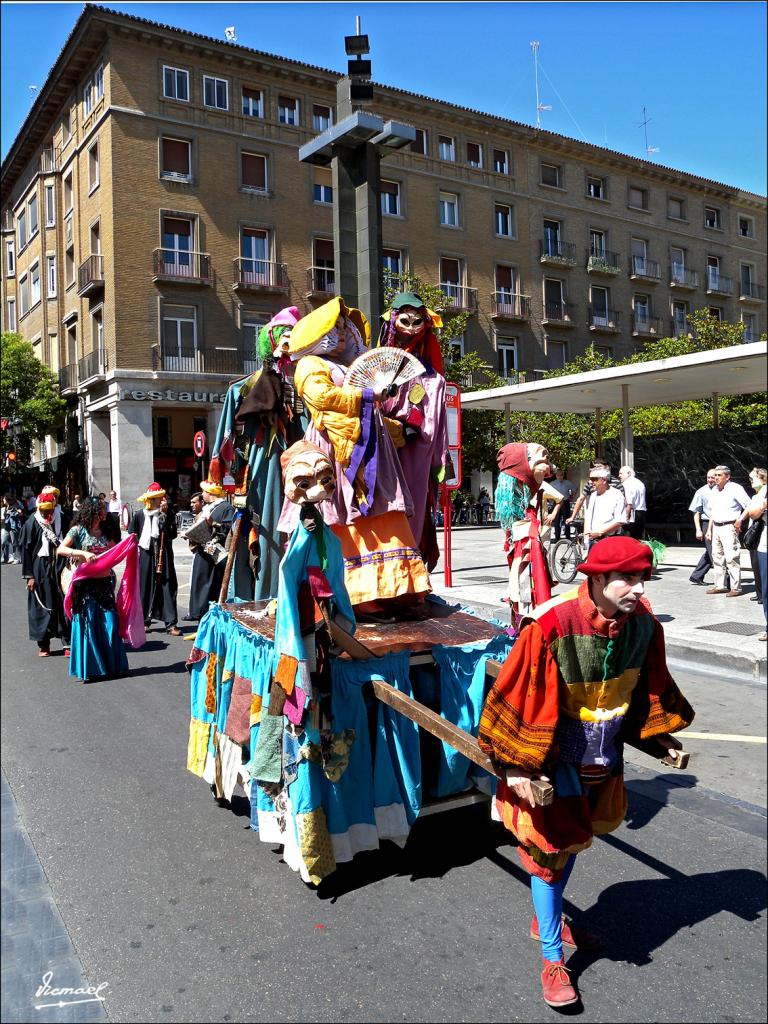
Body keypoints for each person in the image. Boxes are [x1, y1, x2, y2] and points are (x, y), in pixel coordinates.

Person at [478, 536, 694, 1009]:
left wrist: (657, 736)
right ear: (596, 579)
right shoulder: (552, 625)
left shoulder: (644, 627)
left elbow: (647, 690)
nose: (638, 589)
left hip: (605, 757)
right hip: (553, 758)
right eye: (628, 579)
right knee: (551, 851)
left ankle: (545, 918)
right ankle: (553, 959)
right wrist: (515, 765)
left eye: (643, 579)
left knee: (574, 842)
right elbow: (520, 695)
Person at [279, 295, 431, 616]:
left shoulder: (351, 366)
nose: (344, 333)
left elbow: (372, 413)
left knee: (383, 509)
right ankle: (356, 593)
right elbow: (320, 396)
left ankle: (393, 589)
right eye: (336, 327)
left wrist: (399, 429)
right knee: (342, 513)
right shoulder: (310, 364)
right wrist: (365, 394)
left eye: (346, 327)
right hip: (335, 450)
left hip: (373, 447)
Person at [378, 292, 450, 569]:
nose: (409, 328)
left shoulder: (434, 380)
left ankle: (411, 573)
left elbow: (436, 425)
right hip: (384, 450)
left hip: (417, 452)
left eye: (416, 321)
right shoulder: (382, 365)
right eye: (404, 320)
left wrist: (439, 460)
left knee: (413, 510)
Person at [57, 496, 131, 681]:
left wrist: (130, 543)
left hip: (105, 584)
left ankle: (113, 666)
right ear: (92, 511)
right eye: (101, 509)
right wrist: (82, 552)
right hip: (85, 585)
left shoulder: (107, 531)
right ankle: (93, 670)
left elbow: (117, 551)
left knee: (111, 623)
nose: (105, 512)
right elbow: (61, 549)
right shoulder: (77, 531)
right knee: (88, 626)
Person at [20, 490, 70, 657]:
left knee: (64, 601)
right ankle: (44, 643)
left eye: (50, 510)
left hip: (61, 564)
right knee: (41, 604)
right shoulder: (31, 523)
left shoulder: (63, 518)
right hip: (40, 568)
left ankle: (67, 641)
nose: (47, 514)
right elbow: (26, 551)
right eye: (44, 511)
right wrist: (29, 576)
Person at [130, 482, 181, 635]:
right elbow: (133, 534)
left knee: (168, 586)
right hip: (146, 554)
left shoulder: (167, 513)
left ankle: (171, 623)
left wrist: (164, 516)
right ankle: (144, 620)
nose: (161, 500)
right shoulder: (139, 515)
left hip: (163, 553)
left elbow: (171, 534)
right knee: (144, 586)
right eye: (158, 498)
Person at [187, 472, 236, 621]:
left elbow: (227, 529)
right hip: (202, 549)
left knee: (208, 582)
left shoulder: (225, 507)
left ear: (211, 493)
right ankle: (197, 612)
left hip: (213, 552)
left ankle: (205, 612)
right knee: (199, 580)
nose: (202, 495)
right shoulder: (210, 507)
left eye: (204, 492)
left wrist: (212, 525)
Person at [706, 465, 751, 597]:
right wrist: (709, 529)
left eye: (719, 475)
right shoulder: (714, 490)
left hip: (729, 526)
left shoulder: (735, 489)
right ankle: (720, 585)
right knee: (717, 557)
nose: (716, 477)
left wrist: (740, 520)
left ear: (727, 477)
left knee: (732, 557)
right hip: (716, 526)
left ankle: (736, 587)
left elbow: (748, 506)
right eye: (715, 475)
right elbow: (712, 512)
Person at [688, 469, 727, 587]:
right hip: (707, 524)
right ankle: (725, 580)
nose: (710, 480)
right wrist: (698, 529)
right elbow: (696, 512)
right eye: (708, 477)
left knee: (711, 551)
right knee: (714, 552)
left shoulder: (723, 490)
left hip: (721, 523)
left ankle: (696, 576)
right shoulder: (701, 492)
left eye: (713, 477)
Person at [742, 469, 767, 641]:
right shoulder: (763, 492)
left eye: (752, 478)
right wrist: (765, 505)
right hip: (765, 546)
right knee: (766, 589)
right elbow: (753, 513)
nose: (750, 480)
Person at [581, 467, 626, 550]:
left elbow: (620, 521)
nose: (591, 482)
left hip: (610, 539)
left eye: (594, 479)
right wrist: (586, 536)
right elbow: (588, 516)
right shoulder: (593, 495)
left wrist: (600, 533)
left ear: (604, 480)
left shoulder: (616, 495)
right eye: (590, 479)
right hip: (593, 540)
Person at [618, 466, 647, 540]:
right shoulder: (640, 483)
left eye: (621, 473)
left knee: (628, 539)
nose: (619, 476)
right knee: (638, 539)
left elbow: (629, 503)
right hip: (641, 513)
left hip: (631, 513)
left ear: (629, 473)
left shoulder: (626, 484)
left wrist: (626, 517)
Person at [548, 469, 575, 540]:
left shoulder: (567, 482)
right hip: (556, 502)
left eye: (561, 475)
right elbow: (548, 492)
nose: (560, 477)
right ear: (556, 476)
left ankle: (568, 537)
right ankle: (557, 538)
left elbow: (575, 489)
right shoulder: (552, 483)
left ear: (563, 476)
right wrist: (551, 499)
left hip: (565, 501)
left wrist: (572, 496)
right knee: (556, 520)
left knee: (567, 519)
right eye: (558, 475)